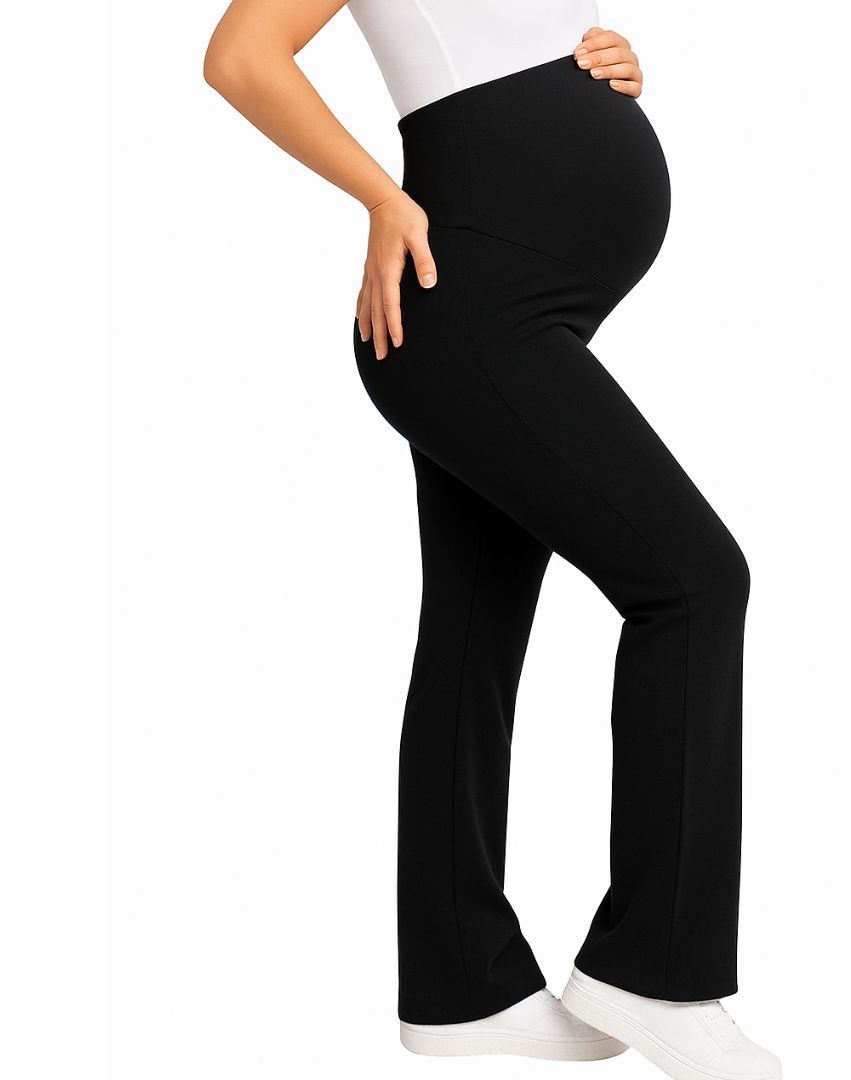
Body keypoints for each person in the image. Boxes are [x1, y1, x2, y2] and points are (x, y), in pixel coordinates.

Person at [204, 3, 781, 1077]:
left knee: (473, 637)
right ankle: (659, 971)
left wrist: (596, 65)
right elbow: (240, 56)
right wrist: (382, 197)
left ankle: (460, 986)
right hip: (468, 312)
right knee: (694, 582)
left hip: (504, 314)